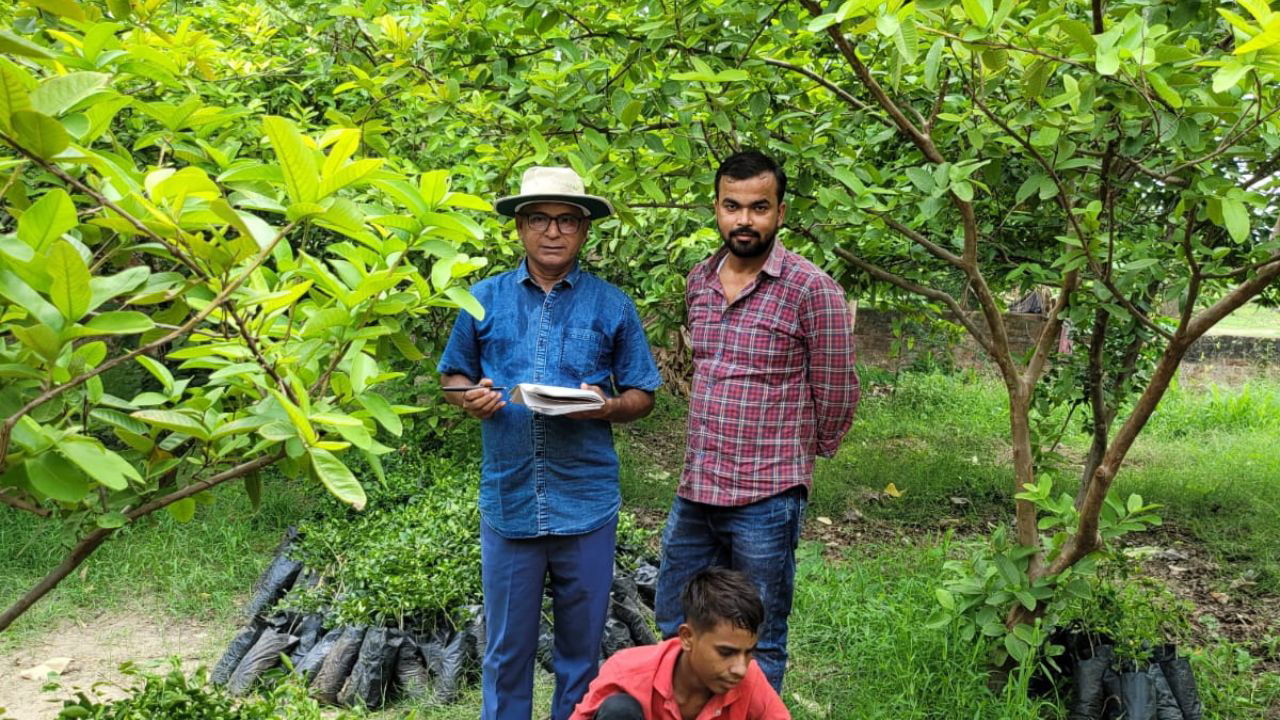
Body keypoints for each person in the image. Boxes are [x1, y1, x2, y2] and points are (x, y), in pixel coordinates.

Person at [438, 166, 662, 720]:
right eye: (539, 218)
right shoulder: (481, 299)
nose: (553, 232)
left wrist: (605, 406)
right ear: (520, 227)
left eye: (566, 220)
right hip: (509, 501)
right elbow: (452, 378)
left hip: (585, 502)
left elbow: (643, 393)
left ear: (584, 230)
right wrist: (472, 398)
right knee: (506, 652)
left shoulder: (612, 306)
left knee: (580, 656)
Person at [655, 150, 860, 692]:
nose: (744, 220)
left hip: (767, 496)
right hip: (697, 488)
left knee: (759, 635)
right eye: (732, 206)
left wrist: (794, 460)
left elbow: (837, 389)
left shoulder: (810, 289)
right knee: (673, 624)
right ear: (717, 209)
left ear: (780, 212)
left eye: (758, 207)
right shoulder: (699, 280)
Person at [570, 568, 791, 720]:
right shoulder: (626, 672)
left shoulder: (748, 679)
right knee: (619, 711)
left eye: (748, 653)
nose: (740, 668)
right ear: (687, 637)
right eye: (726, 652)